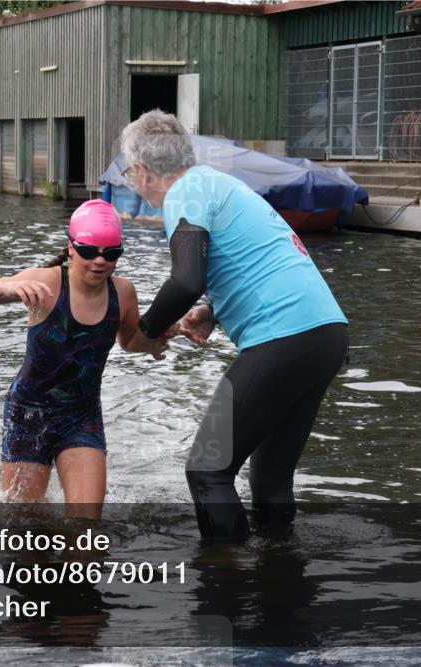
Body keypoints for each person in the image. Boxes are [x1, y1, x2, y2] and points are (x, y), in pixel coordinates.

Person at [121, 110, 349, 541]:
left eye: (131, 173)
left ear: (143, 171)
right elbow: (254, 261)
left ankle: (223, 580)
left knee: (207, 469)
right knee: (270, 482)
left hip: (284, 338)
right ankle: (279, 579)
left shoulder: (183, 193)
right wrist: (213, 311)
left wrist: (144, 332)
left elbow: (186, 280)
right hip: (326, 334)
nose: (133, 181)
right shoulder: (219, 183)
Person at [0, 200, 173, 518]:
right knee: (25, 527)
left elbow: (129, 341)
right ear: (72, 248)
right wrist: (3, 287)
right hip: (28, 416)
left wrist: (154, 343)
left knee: (86, 528)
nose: (100, 261)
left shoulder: (123, 293)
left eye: (111, 254)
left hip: (81, 418)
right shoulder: (46, 282)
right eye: (90, 251)